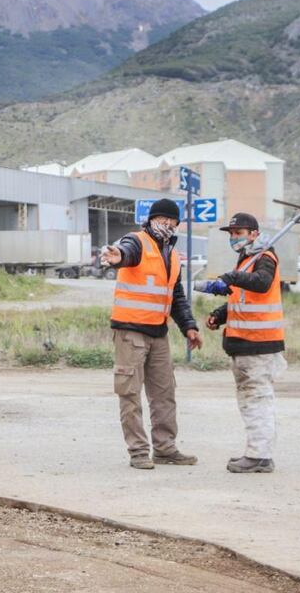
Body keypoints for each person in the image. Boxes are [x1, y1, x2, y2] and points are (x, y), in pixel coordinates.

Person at [102, 198, 202, 470]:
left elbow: (176, 296)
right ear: (150, 220)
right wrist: (118, 257)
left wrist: (189, 326)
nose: (167, 224)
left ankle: (165, 448)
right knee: (130, 393)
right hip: (130, 331)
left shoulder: (172, 255)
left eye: (172, 221)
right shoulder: (135, 241)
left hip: (158, 333)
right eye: (162, 219)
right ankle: (138, 452)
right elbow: (126, 252)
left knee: (164, 394)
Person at [201, 212, 285, 474]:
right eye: (231, 234)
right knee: (252, 399)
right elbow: (244, 299)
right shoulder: (247, 260)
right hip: (245, 343)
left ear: (254, 234)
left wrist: (231, 277)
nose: (234, 238)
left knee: (256, 400)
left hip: (258, 344)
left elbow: (261, 285)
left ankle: (259, 456)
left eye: (239, 233)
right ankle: (259, 453)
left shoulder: (265, 258)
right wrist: (221, 314)